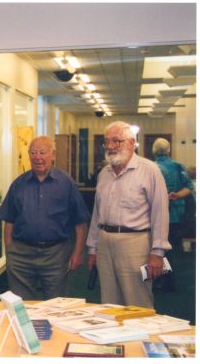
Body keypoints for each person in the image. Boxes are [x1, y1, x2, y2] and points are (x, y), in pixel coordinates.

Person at [86, 121, 171, 308]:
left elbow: (161, 213)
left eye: (117, 141)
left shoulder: (149, 170)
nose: (110, 146)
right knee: (109, 302)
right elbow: (96, 215)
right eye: (107, 141)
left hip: (137, 244)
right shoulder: (104, 174)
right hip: (105, 243)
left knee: (138, 300)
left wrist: (158, 252)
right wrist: (92, 248)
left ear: (132, 143)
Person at [0, 136, 90, 300]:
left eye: (42, 152)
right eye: (33, 152)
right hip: (21, 255)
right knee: (21, 305)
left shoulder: (66, 183)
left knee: (55, 305)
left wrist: (77, 253)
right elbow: (9, 221)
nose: (37, 157)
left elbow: (80, 223)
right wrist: (10, 252)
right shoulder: (18, 184)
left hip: (56, 254)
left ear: (53, 155)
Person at [152, 138, 193, 291]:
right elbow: (189, 187)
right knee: (170, 250)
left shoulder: (151, 167)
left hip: (155, 217)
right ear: (169, 150)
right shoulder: (178, 166)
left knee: (155, 250)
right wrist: (176, 196)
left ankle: (158, 280)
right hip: (176, 215)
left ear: (153, 151)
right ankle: (169, 281)